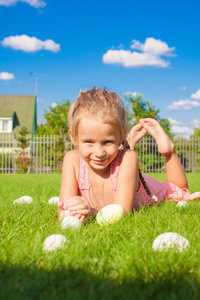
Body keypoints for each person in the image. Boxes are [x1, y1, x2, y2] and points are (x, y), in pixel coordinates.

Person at [57, 87, 200, 223]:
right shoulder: (72, 160)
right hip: (124, 169)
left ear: (120, 136)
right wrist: (71, 211)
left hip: (144, 189)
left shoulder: (129, 158)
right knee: (123, 155)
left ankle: (169, 150)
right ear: (74, 138)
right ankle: (125, 144)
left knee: (177, 190)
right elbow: (64, 208)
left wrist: (91, 212)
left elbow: (122, 210)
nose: (99, 152)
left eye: (107, 142)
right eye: (89, 142)